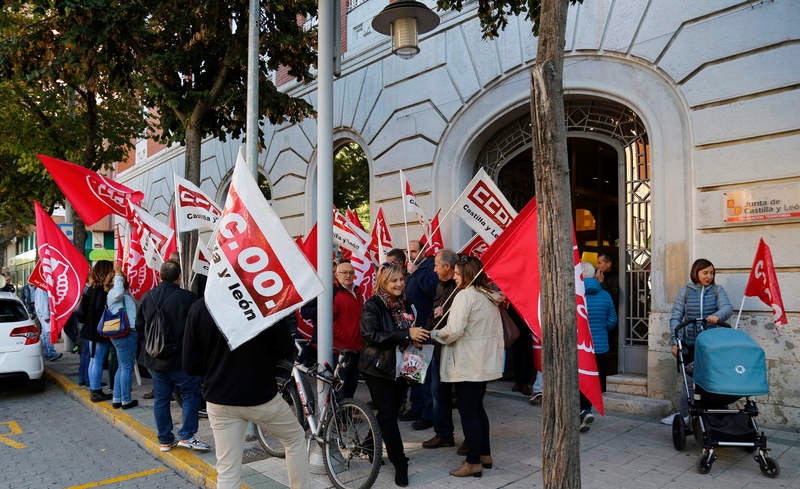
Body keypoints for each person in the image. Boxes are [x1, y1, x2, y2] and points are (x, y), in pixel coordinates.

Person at [183, 300, 310, 489]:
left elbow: (189, 365)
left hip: (219, 398)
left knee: (227, 470)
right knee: (295, 438)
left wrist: (215, 367)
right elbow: (284, 348)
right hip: (261, 395)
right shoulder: (262, 303)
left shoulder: (201, 306)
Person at [430, 256, 504, 478]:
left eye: (458, 273)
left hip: (467, 364)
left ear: (468, 275)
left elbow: (453, 331)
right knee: (478, 410)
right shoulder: (488, 296)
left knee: (469, 412)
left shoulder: (466, 296)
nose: (455, 276)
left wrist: (431, 334)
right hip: (481, 363)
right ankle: (484, 454)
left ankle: (473, 461)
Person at [359, 263, 429, 487]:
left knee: (392, 410)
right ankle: (400, 462)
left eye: (401, 279)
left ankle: (369, 444)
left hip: (405, 365)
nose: (399, 284)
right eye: (394, 281)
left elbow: (410, 328)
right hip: (379, 367)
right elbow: (371, 335)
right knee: (389, 416)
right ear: (383, 282)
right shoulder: (373, 305)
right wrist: (406, 333)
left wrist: (415, 337)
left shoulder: (405, 302)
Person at [136, 260, 208, 452]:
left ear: (160, 275)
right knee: (191, 394)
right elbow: (197, 330)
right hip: (182, 360)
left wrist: (149, 348)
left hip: (155, 360)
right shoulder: (188, 298)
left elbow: (139, 327)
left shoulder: (147, 297)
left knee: (161, 399)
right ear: (179, 277)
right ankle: (187, 435)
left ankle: (165, 440)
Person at [661, 258, 733, 425]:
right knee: (689, 380)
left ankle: (718, 415)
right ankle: (684, 415)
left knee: (714, 379)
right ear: (696, 273)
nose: (709, 276)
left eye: (712, 273)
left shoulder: (717, 290)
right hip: (690, 344)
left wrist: (718, 316)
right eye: (705, 273)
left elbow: (727, 308)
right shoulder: (685, 291)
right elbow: (676, 317)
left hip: (712, 345)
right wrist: (675, 341)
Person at [422, 249, 459, 450]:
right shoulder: (440, 286)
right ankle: (443, 434)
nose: (434, 269)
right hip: (438, 348)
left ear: (447, 267)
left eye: (437, 265)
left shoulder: (461, 288)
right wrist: (425, 332)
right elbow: (434, 314)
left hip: (455, 350)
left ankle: (471, 440)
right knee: (438, 392)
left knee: (462, 397)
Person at [403, 239, 438, 431]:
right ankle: (415, 408)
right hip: (411, 326)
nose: (411, 254)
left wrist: (416, 273)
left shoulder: (429, 268)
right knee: (413, 373)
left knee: (426, 379)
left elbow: (433, 291)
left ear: (423, 251)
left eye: (414, 251)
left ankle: (427, 414)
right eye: (409, 251)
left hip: (425, 327)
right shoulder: (410, 268)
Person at [578, 261, 617, 432]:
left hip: (581, 346)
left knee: (580, 379)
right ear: (595, 275)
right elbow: (612, 321)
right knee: (594, 379)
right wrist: (602, 329)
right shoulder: (605, 295)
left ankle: (582, 410)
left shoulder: (576, 295)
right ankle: (587, 409)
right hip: (600, 346)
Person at [77, 260, 114, 400]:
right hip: (99, 330)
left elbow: (83, 312)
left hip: (89, 328)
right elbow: (100, 310)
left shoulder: (91, 289)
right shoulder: (102, 291)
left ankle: (94, 389)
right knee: (97, 359)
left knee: (93, 360)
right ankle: (96, 391)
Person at [106, 263, 139, 409]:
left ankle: (117, 398)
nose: (120, 278)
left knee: (122, 366)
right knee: (126, 367)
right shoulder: (115, 293)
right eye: (116, 278)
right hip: (126, 332)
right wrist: (118, 273)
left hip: (122, 332)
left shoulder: (123, 295)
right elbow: (119, 291)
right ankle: (126, 399)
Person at [332, 260, 364, 398]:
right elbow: (328, 321)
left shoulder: (357, 292)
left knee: (352, 382)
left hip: (357, 347)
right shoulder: (334, 294)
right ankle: (339, 417)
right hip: (340, 349)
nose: (348, 275)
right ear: (337, 275)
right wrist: (344, 336)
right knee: (340, 384)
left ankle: (348, 412)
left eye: (351, 272)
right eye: (344, 272)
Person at [34, 286, 62, 361]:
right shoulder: (41, 289)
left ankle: (47, 352)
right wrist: (46, 316)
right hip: (45, 315)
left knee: (45, 334)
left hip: (43, 315)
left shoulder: (40, 289)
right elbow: (43, 303)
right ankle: (50, 353)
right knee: (48, 333)